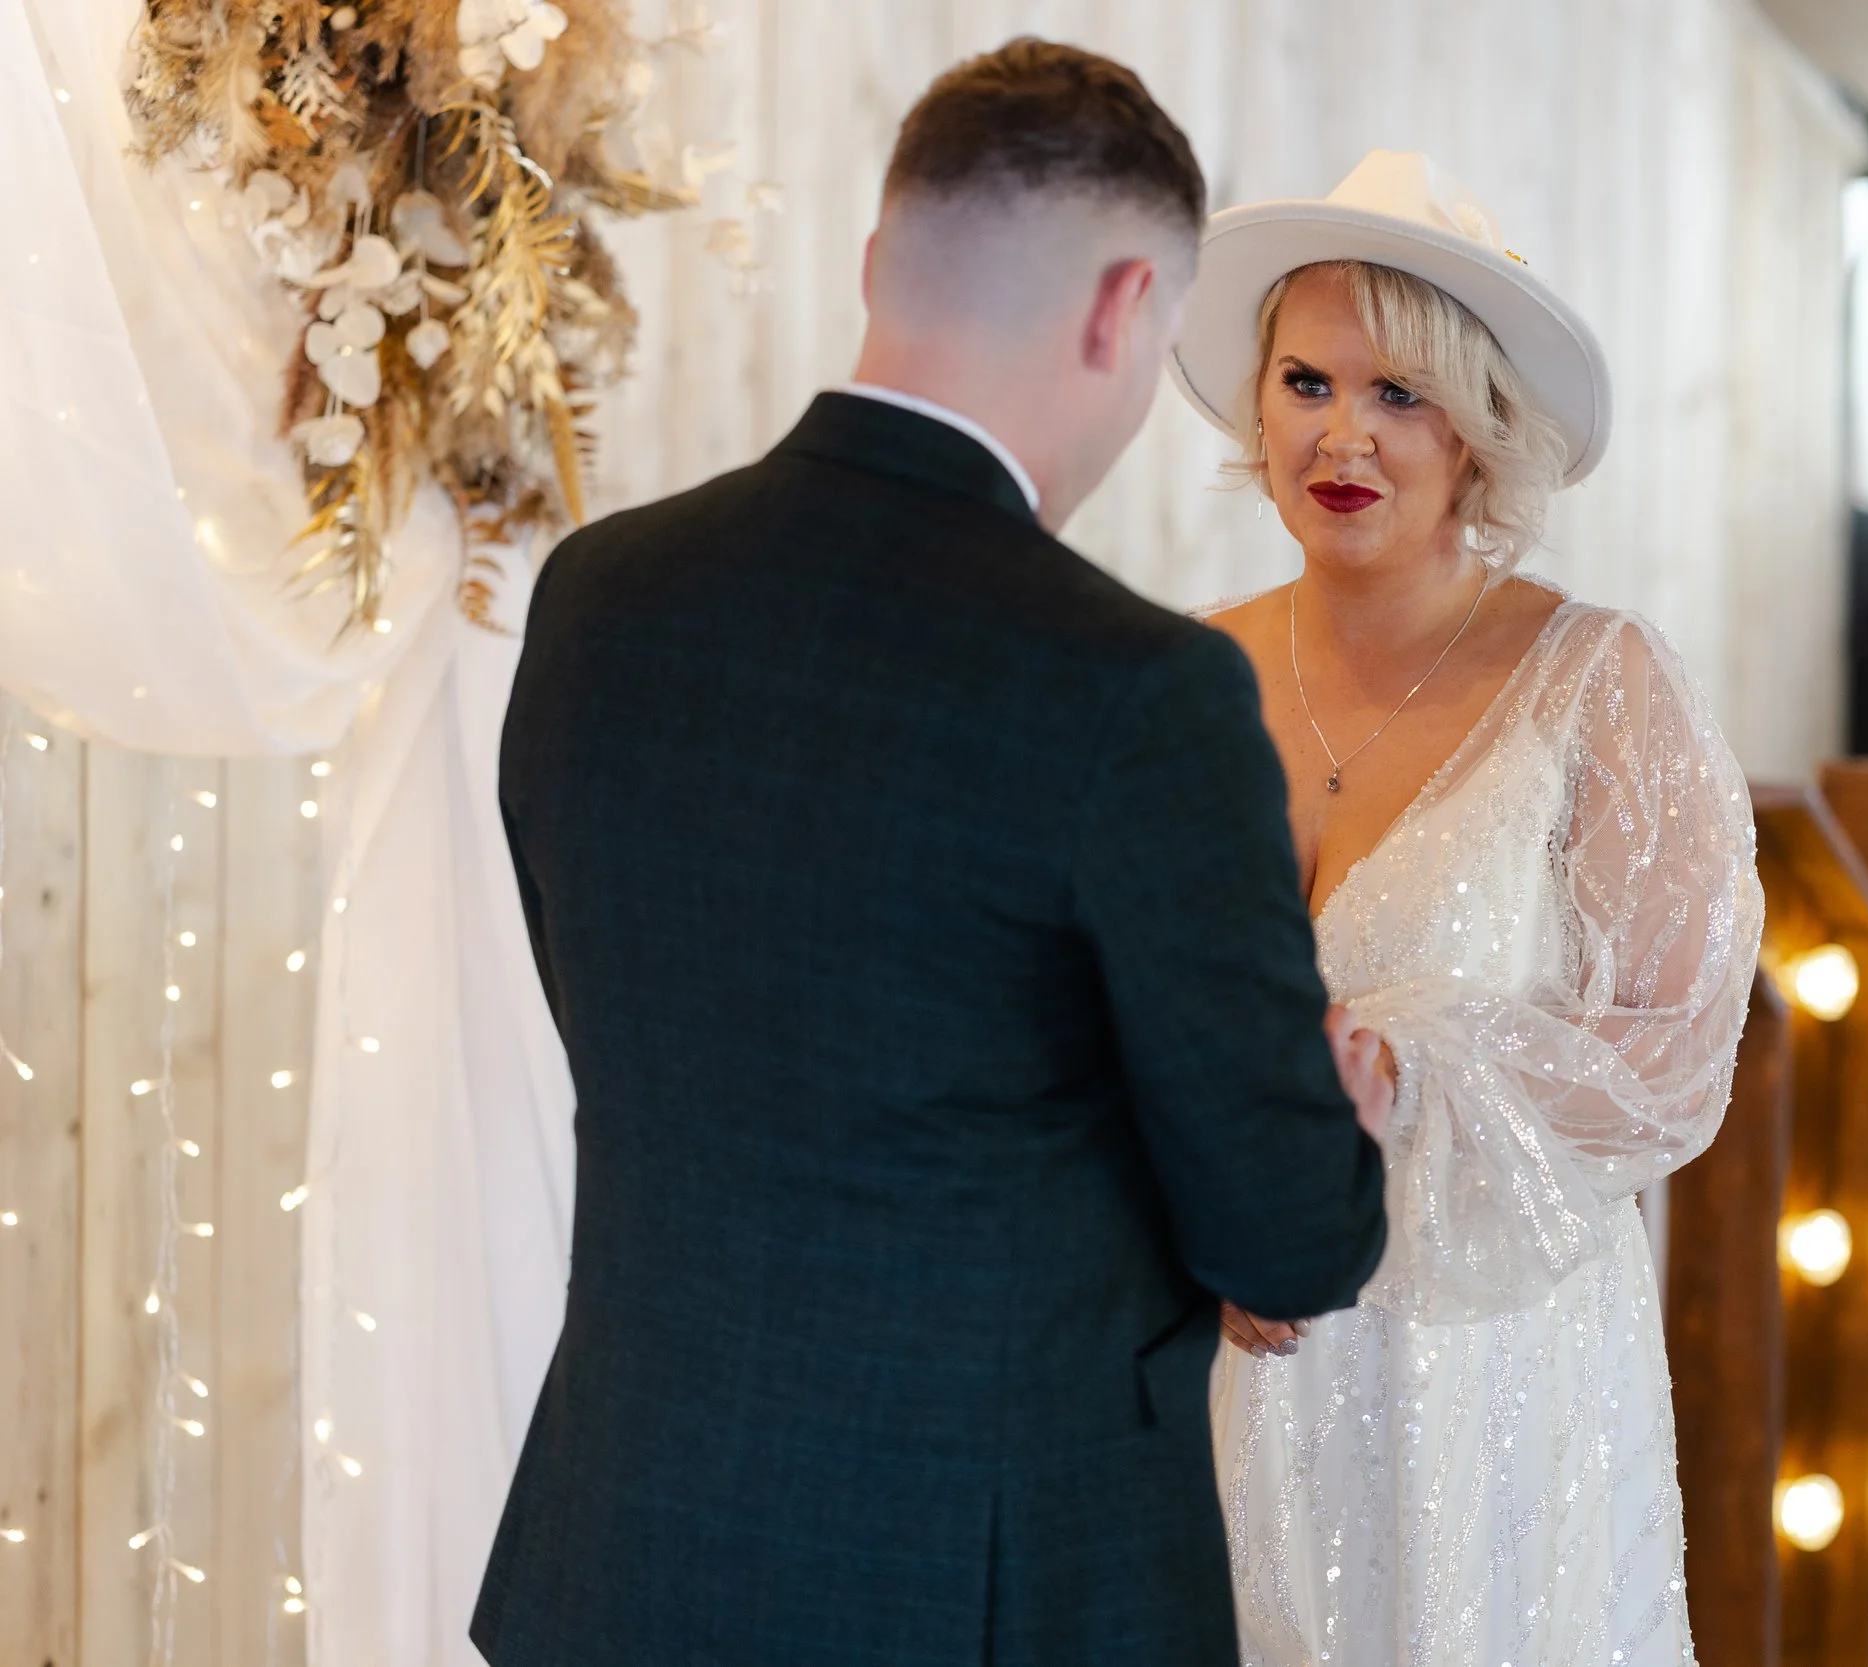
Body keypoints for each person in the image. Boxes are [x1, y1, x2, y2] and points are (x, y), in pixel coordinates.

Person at [472, 42, 1392, 1667]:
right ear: (1122, 308)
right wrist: (1332, 1132)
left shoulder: (602, 598)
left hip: (628, 1550)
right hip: (979, 1595)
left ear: (877, 265)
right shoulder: (1140, 691)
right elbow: (1289, 1237)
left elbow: (652, 1023)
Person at [1167, 152, 1764, 1666]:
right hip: (1214, 1341)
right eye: (1308, 383)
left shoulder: (1600, 681)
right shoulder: (1173, 679)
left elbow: (1673, 1058)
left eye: (1401, 394)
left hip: (1484, 1383)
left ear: (1480, 430)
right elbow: (1088, 1010)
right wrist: (1202, 1200)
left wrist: (1407, 1062)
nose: (1343, 436)